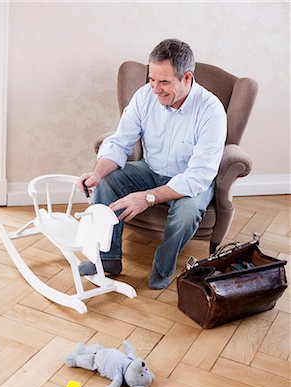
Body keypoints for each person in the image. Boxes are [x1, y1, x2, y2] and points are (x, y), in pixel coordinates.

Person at [78, 38, 227, 289]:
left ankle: (162, 268)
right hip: (151, 170)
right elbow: (120, 142)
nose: (155, 89)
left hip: (189, 180)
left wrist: (146, 198)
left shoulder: (211, 111)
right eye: (152, 79)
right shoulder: (145, 96)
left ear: (187, 78)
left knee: (187, 214)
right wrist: (97, 173)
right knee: (106, 182)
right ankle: (108, 259)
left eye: (164, 82)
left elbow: (198, 176)